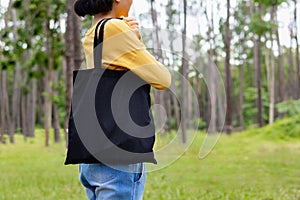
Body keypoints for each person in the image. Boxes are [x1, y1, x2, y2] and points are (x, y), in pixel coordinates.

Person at [73, 0, 171, 199]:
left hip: (93, 154)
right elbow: (162, 78)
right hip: (119, 154)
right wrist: (136, 40)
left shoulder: (94, 31)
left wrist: (133, 38)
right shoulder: (116, 28)